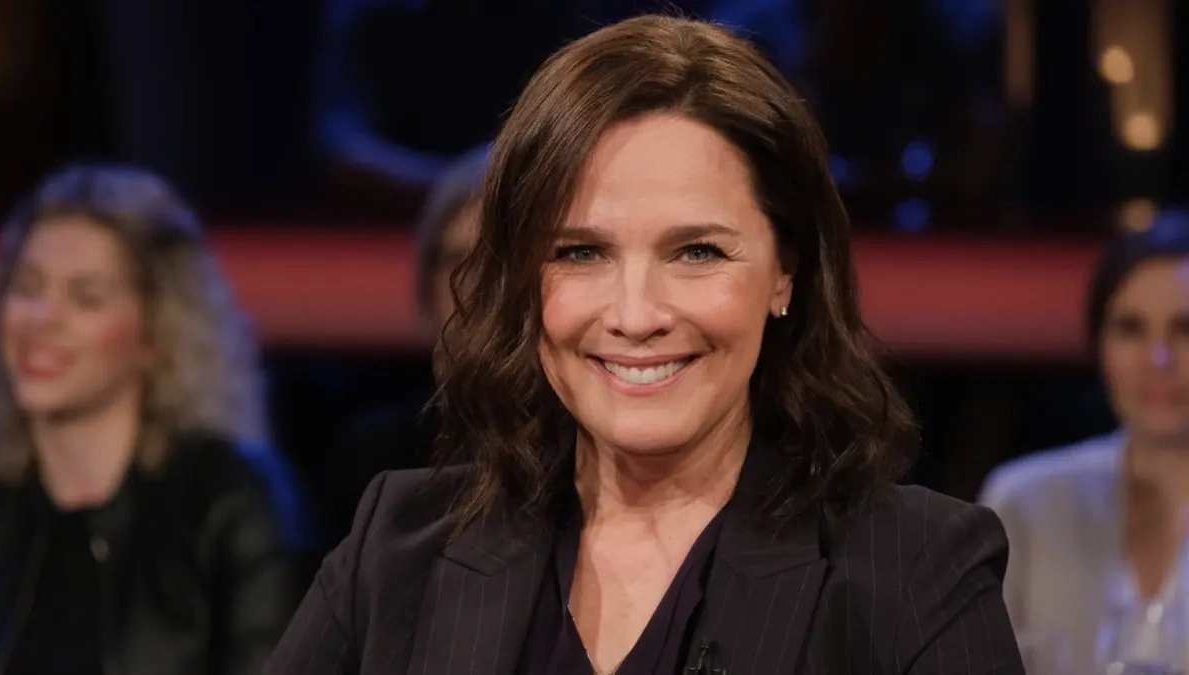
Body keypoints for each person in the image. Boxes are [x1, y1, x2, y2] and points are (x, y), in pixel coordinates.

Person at [270, 15, 1022, 674]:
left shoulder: (914, 572)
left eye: (697, 252)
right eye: (580, 252)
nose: (635, 315)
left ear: (784, 273)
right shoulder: (398, 550)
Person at [0, 164, 309, 675]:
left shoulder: (233, 504)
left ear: (156, 332)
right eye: (26, 287)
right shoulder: (0, 500)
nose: (41, 319)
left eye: (86, 297)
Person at [980, 221, 1189, 671]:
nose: (1159, 359)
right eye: (1131, 329)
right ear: (1099, 346)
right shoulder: (1023, 503)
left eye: (1185, 329)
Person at [322, 144, 488, 540]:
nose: (469, 287)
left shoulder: (591, 454)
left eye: (492, 263)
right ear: (425, 288)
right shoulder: (374, 462)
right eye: (455, 261)